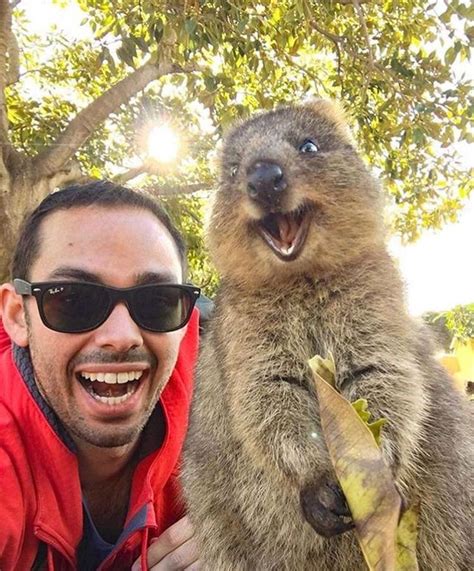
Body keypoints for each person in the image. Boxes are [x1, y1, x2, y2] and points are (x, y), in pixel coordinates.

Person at [0, 181, 202, 570]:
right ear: (16, 316)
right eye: (73, 300)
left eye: (158, 302)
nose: (121, 337)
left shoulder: (224, 409)